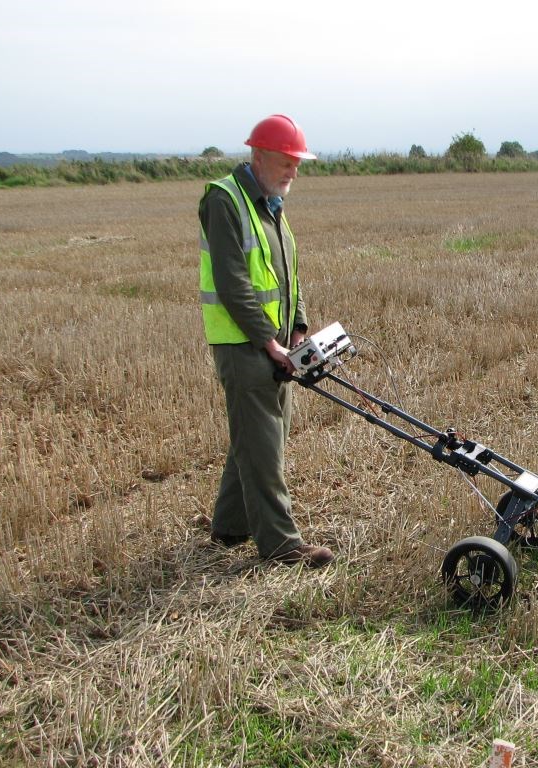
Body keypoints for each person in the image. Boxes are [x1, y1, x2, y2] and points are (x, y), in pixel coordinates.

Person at [198, 114, 333, 568]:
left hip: (275, 344)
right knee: (264, 446)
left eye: (298, 164)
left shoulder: (272, 205)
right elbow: (233, 281)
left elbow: (286, 273)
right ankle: (281, 545)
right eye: (286, 162)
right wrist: (267, 342)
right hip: (243, 346)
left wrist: (298, 324)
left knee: (259, 440)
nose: (294, 172)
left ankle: (230, 525)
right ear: (257, 156)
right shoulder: (225, 201)